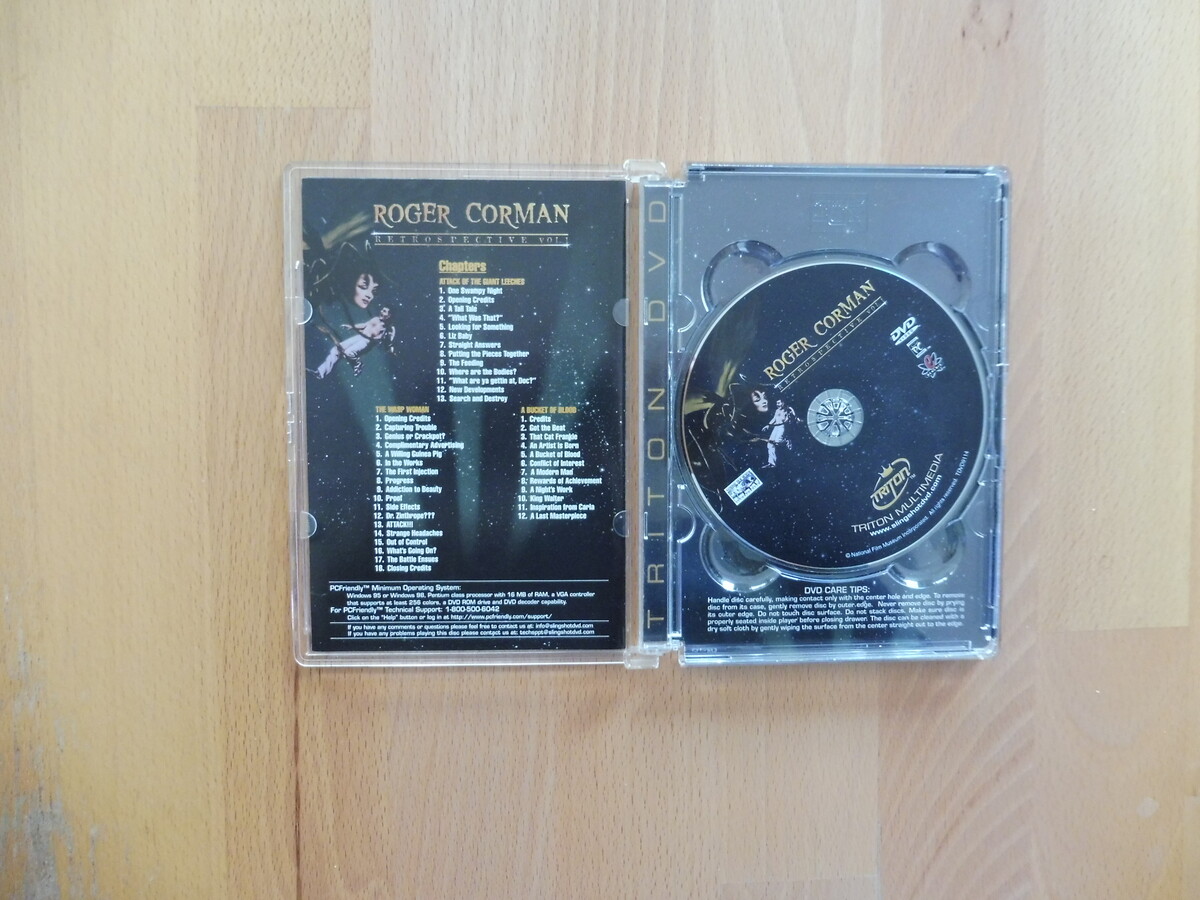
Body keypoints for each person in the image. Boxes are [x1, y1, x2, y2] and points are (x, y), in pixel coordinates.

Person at [312, 307, 396, 379]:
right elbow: (364, 325)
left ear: (389, 315)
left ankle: (358, 364)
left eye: (384, 311)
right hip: (359, 337)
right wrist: (352, 326)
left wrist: (390, 350)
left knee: (349, 352)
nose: (381, 311)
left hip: (367, 342)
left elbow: (389, 342)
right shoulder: (375, 319)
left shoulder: (389, 329)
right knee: (336, 350)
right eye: (382, 310)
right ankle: (320, 373)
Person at [763, 399, 796, 467]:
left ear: (783, 403)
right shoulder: (777, 411)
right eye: (777, 403)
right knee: (770, 444)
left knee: (777, 441)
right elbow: (774, 419)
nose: (777, 404)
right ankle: (772, 463)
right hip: (776, 427)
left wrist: (790, 414)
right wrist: (768, 425)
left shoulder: (788, 410)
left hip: (782, 427)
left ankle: (786, 440)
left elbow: (793, 418)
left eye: (779, 403)